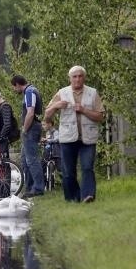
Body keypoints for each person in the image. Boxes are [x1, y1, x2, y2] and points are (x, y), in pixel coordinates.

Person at [44, 65, 105, 203]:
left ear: (84, 77)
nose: (77, 79)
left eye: (80, 76)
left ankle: (88, 195)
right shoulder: (62, 93)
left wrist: (83, 110)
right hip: (67, 138)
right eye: (74, 76)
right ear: (70, 78)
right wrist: (56, 106)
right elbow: (47, 116)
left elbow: (101, 117)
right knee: (68, 172)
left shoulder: (92, 93)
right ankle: (73, 198)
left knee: (87, 167)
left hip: (87, 138)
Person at [11, 75, 45, 198]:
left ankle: (38, 188)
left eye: (14, 87)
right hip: (32, 127)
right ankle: (30, 187)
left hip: (31, 128)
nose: (14, 90)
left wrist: (24, 129)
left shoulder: (29, 92)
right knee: (25, 160)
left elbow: (30, 113)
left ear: (17, 84)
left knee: (32, 159)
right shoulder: (31, 91)